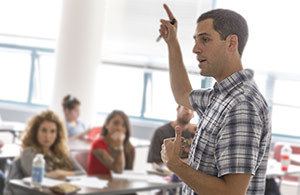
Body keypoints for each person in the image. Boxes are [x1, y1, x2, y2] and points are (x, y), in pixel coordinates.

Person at [159, 4, 271, 195]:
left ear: (231, 43)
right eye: (195, 40)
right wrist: (172, 42)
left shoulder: (242, 105)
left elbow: (232, 192)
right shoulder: (220, 96)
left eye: (205, 39)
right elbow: (182, 94)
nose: (195, 49)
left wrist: (176, 165)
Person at [4, 110, 85, 194]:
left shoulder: (62, 152)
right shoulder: (28, 152)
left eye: (52, 131)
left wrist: (60, 173)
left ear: (58, 134)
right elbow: (37, 179)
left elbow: (82, 173)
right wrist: (57, 175)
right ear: (35, 132)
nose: (48, 136)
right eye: (43, 130)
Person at [87, 110, 135, 175]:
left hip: (117, 184)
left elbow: (128, 174)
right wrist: (119, 146)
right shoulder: (98, 145)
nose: (119, 128)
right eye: (115, 123)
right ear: (107, 125)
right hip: (96, 183)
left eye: (123, 125)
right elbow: (118, 169)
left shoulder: (129, 148)